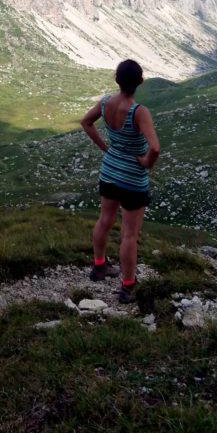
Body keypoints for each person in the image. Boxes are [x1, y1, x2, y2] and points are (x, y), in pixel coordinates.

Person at [79, 59, 161, 303]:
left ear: (117, 79)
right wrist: (146, 162)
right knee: (129, 235)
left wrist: (106, 147)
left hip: (110, 171)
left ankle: (99, 266)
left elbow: (86, 122)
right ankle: (127, 286)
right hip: (133, 180)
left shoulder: (105, 103)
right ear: (140, 82)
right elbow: (155, 148)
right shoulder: (139, 112)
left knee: (105, 220)